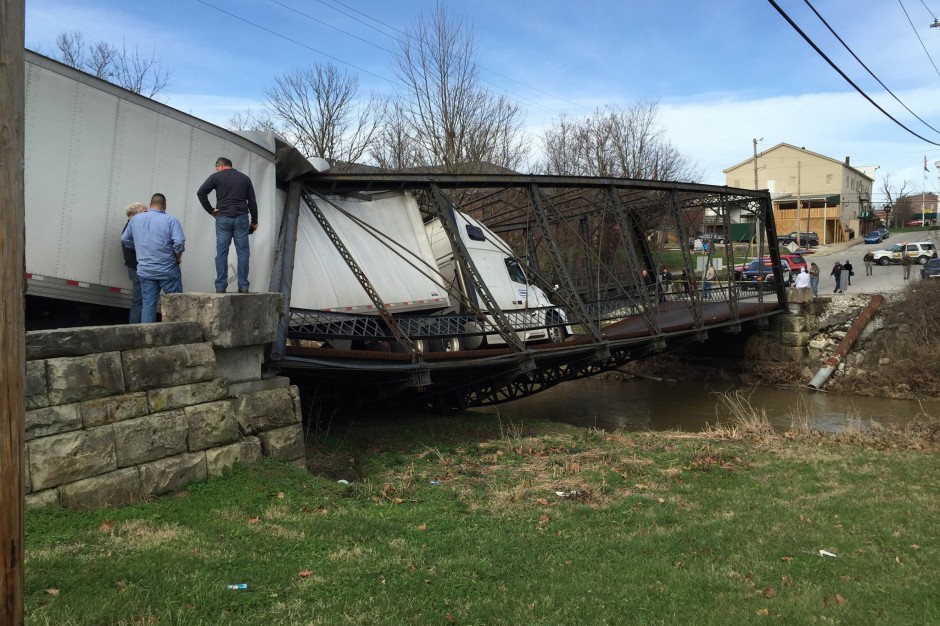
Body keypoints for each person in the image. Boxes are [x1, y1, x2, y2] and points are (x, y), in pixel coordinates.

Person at [197, 157, 259, 293]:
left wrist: (211, 210)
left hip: (223, 217)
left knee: (222, 252)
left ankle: (220, 286)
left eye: (217, 168)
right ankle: (243, 286)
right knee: (243, 252)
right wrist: (254, 221)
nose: (217, 170)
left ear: (220, 166)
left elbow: (201, 192)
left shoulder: (216, 177)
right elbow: (252, 201)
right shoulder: (245, 178)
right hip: (241, 218)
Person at [121, 193, 186, 323]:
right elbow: (179, 243)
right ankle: (177, 333)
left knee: (148, 305)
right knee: (176, 303)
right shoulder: (171, 220)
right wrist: (176, 256)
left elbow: (125, 239)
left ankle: (147, 336)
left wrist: (139, 249)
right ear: (165, 206)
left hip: (145, 271)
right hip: (167, 269)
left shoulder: (135, 219)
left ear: (150, 204)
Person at [121, 202, 147, 324]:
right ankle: (135, 328)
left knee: (139, 300)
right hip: (136, 269)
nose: (146, 215)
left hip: (134, 269)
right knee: (139, 301)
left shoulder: (129, 227)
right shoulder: (131, 229)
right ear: (136, 214)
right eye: (144, 212)